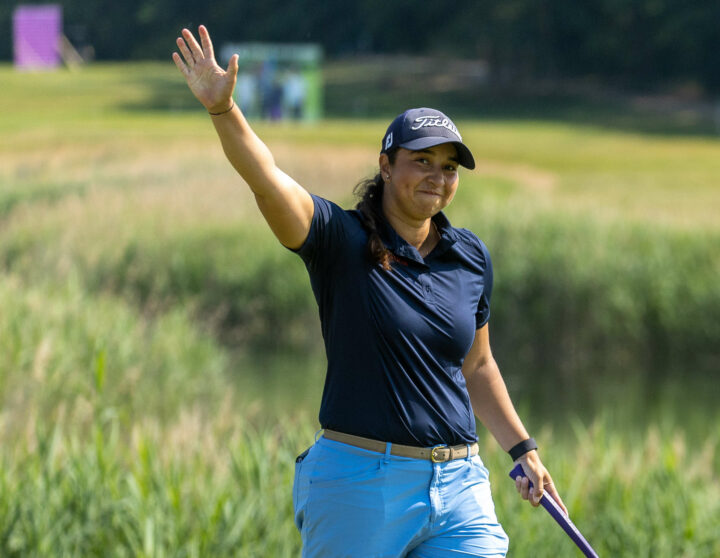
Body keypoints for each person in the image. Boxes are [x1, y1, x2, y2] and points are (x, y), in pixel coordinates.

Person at [173, 26, 567, 558]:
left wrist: (524, 450)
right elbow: (267, 180)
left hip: (460, 487)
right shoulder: (339, 239)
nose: (438, 176)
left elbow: (477, 366)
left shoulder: (468, 255)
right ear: (385, 165)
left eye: (449, 167)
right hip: (361, 484)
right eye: (422, 162)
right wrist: (224, 112)